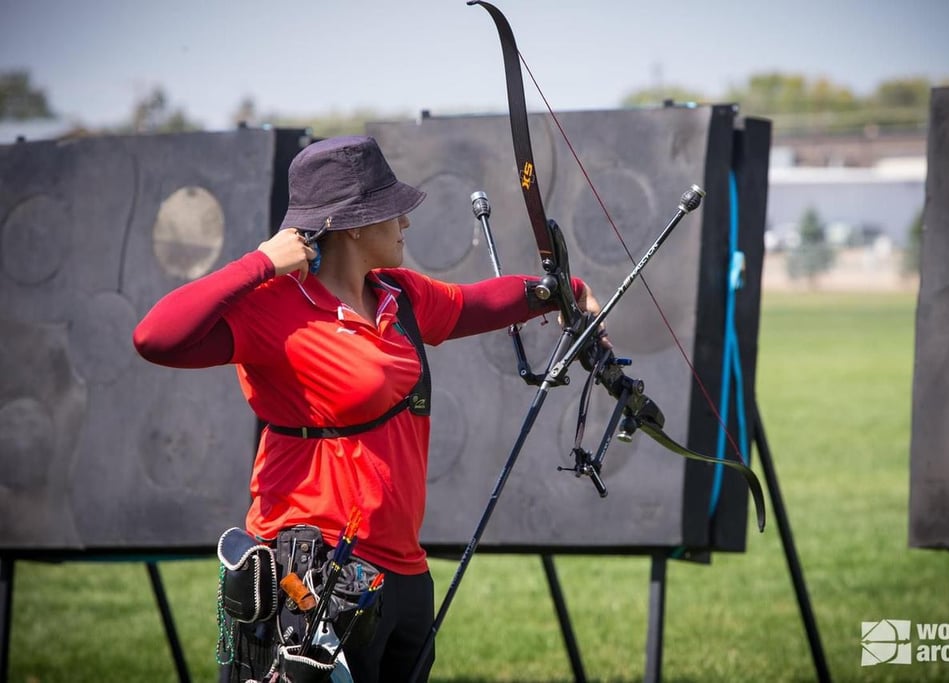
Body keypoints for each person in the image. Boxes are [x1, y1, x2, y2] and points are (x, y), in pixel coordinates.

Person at [133, 135, 605, 683]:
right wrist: (259, 263)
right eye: (391, 212)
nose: (404, 223)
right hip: (312, 574)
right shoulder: (275, 306)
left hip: (403, 570)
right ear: (353, 224)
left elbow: (476, 303)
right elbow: (155, 338)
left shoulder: (398, 296)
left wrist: (565, 291)